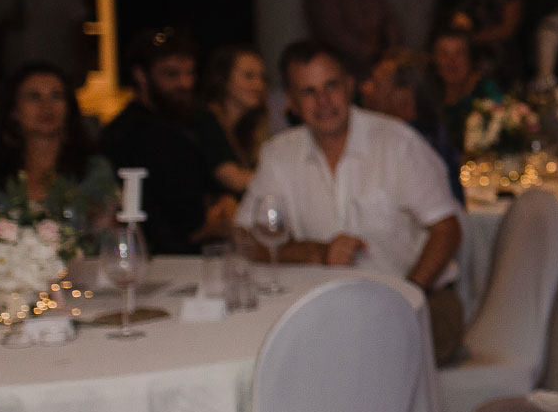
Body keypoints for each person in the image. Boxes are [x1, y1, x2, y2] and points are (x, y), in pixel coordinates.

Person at [237, 40, 466, 363]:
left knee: (351, 359)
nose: (324, 101)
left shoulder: (396, 143)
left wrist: (408, 296)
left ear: (349, 86)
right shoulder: (279, 155)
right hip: (326, 309)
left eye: (331, 86)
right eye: (309, 92)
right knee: (276, 354)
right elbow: (246, 237)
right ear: (291, 102)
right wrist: (315, 251)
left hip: (423, 301)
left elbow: (447, 229)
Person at [100, 27, 217, 255]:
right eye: (171, 74)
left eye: (189, 73)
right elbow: (153, 213)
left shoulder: (191, 120)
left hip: (196, 254)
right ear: (141, 76)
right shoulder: (126, 133)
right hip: (159, 260)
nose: (184, 84)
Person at [0, 62, 115, 216]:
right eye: (34, 97)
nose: (47, 106)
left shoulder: (93, 170)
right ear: (13, 110)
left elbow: (110, 230)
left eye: (56, 96)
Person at [360, 47, 463, 203]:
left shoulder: (409, 147)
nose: (364, 88)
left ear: (404, 97)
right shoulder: (434, 136)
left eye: (376, 84)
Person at [193, 45, 270, 213]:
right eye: (249, 76)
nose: (258, 84)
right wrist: (286, 180)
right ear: (223, 79)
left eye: (262, 77)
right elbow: (231, 177)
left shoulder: (245, 129)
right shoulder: (205, 120)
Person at [432, 29, 501, 161]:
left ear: (470, 58)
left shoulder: (486, 90)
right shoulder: (427, 95)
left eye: (459, 53)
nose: (451, 61)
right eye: (444, 54)